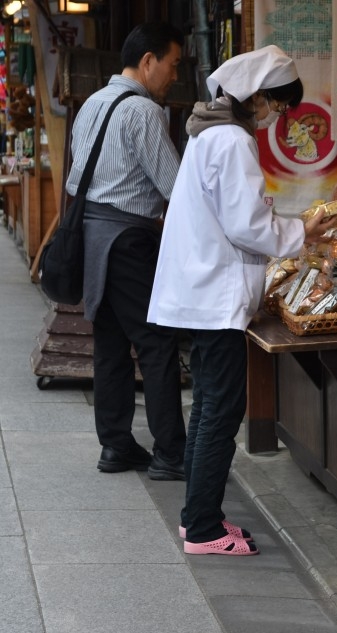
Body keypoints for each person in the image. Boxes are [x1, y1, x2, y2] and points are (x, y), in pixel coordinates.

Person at [148, 45, 337, 556]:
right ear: (256, 95)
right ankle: (204, 527)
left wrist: (288, 228)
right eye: (277, 105)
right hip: (214, 295)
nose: (277, 115)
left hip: (203, 289)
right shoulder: (231, 140)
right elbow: (247, 225)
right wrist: (303, 232)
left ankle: (199, 518)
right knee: (220, 409)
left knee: (212, 403)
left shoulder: (209, 131)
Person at [68, 22, 187, 480]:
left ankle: (116, 446)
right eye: (172, 65)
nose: (173, 75)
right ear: (148, 61)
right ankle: (171, 454)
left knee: (112, 344)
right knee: (156, 344)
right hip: (127, 240)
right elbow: (174, 185)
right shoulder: (143, 112)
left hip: (94, 238)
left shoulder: (91, 105)